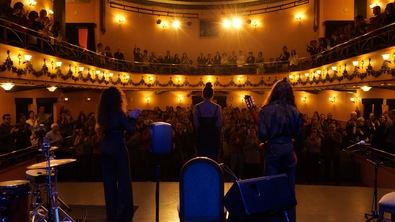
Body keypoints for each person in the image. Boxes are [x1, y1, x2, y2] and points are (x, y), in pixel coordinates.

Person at [258, 78, 302, 222]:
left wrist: (266, 141)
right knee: (289, 190)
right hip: (289, 150)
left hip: (273, 151)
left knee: (271, 187)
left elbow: (262, 135)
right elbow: (299, 134)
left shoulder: (266, 110)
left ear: (274, 92)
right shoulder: (295, 111)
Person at [97, 86, 141, 221]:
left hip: (105, 149)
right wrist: (133, 117)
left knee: (109, 184)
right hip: (118, 148)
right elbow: (131, 130)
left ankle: (112, 214)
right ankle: (124, 214)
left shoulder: (102, 114)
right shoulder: (118, 113)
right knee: (124, 182)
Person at [193, 82, 223, 161]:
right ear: (212, 95)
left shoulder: (197, 107)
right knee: (213, 160)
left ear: (203, 94)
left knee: (202, 159)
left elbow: (196, 124)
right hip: (213, 137)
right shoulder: (217, 107)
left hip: (201, 136)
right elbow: (219, 125)